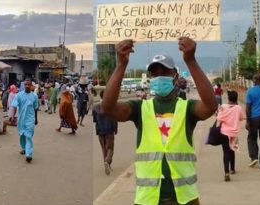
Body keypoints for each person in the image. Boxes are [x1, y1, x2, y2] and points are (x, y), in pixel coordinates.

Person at [101, 37, 217, 205]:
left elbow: (210, 106)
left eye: (165, 72)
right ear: (149, 77)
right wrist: (121, 65)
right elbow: (107, 108)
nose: (159, 76)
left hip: (185, 199)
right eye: (154, 73)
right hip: (148, 200)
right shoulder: (140, 108)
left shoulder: (187, 108)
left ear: (175, 76)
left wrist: (191, 61)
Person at [216, 91, 246, 181]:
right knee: (232, 150)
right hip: (234, 134)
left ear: (228, 98)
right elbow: (242, 118)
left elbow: (218, 117)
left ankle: (226, 172)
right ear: (236, 98)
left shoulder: (223, 107)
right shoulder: (238, 108)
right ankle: (232, 169)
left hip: (224, 133)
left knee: (226, 152)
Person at [11, 79, 38, 163]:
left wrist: (36, 119)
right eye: (25, 84)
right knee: (22, 134)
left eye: (29, 85)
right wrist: (12, 117)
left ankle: (28, 154)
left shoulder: (34, 96)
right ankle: (24, 148)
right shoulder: (18, 95)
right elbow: (14, 106)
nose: (27, 86)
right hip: (21, 119)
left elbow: (35, 108)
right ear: (23, 85)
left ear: (31, 86)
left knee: (28, 135)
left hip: (30, 119)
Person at [93, 90, 118, 175]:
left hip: (100, 131)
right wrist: (116, 128)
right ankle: (107, 161)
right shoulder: (111, 106)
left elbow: (95, 121)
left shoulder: (95, 107)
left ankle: (107, 165)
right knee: (110, 148)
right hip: (110, 129)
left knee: (104, 149)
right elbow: (115, 118)